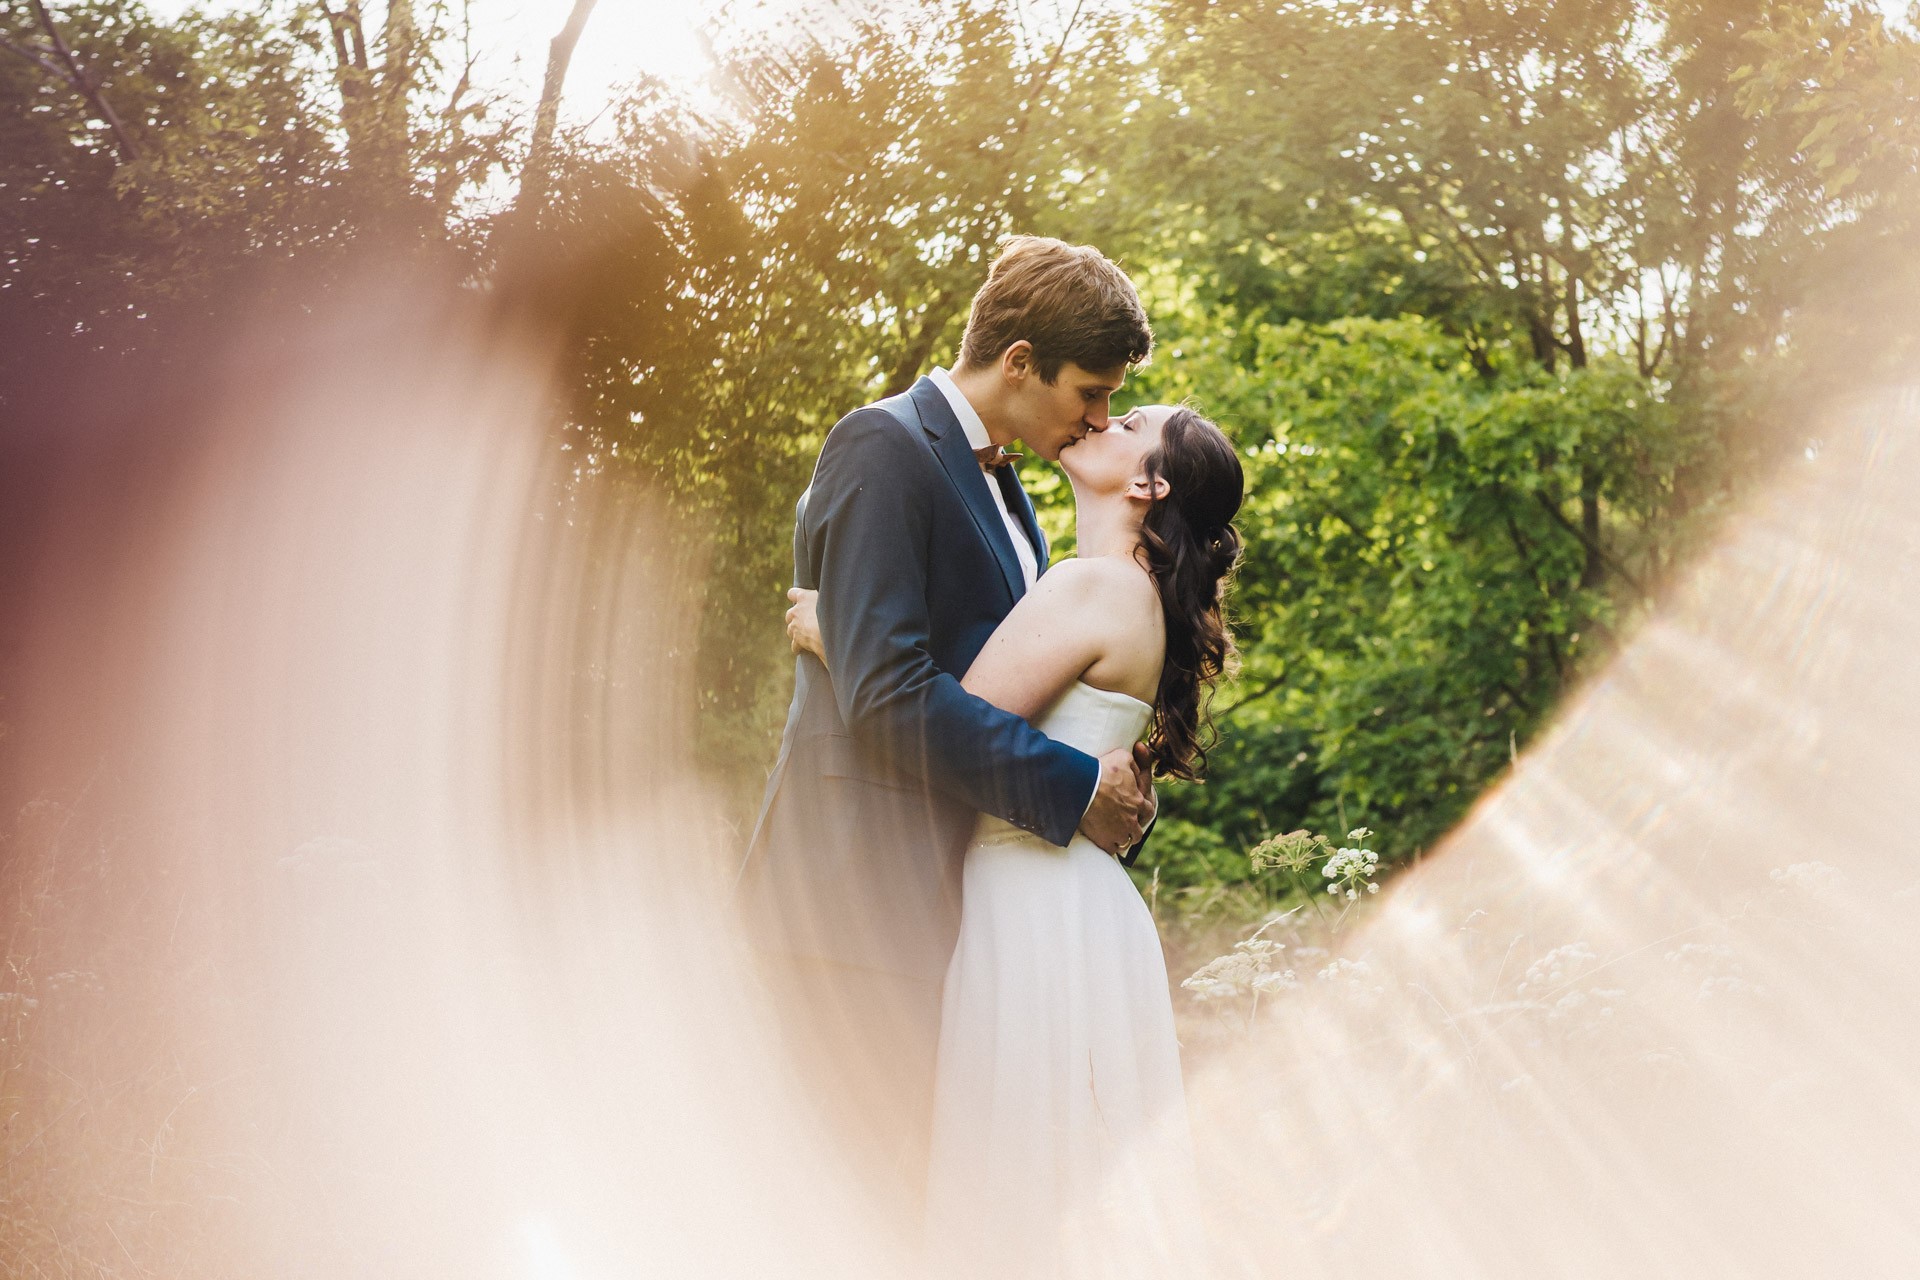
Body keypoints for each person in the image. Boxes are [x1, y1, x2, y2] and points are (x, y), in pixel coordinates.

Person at [731, 237, 1162, 1228]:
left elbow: (975, 685)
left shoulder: (1015, 496)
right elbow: (883, 698)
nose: (1098, 418)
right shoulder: (881, 447)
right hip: (853, 903)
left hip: (945, 911)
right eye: (1091, 392)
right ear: (1019, 362)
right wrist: (1069, 784)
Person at [787, 403, 1246, 1276]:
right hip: (1073, 902)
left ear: (1151, 484)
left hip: (1032, 906)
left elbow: (947, 723)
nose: (1102, 418)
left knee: (1012, 1182)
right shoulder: (1118, 591)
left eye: (1130, 423)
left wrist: (837, 637)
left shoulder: (1092, 584)